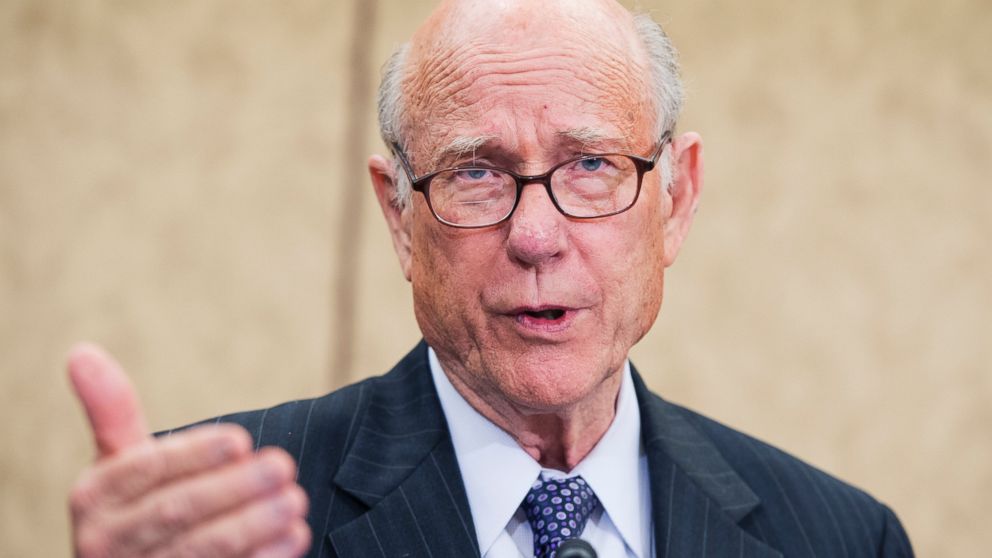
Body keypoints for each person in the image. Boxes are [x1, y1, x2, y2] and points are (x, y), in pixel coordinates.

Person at [67, 0, 914, 556]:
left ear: (677, 198)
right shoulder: (213, 516)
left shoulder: (843, 537)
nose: (536, 235)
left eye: (590, 164)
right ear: (400, 215)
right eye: (476, 173)